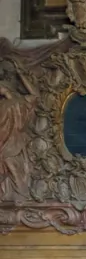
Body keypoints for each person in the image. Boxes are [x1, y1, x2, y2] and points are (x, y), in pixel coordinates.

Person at [0, 65, 37, 202]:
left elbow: (35, 95)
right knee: (9, 169)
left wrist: (22, 76)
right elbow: (34, 95)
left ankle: (20, 194)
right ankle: (11, 195)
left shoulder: (18, 102)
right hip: (6, 141)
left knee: (14, 169)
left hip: (13, 142)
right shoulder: (8, 104)